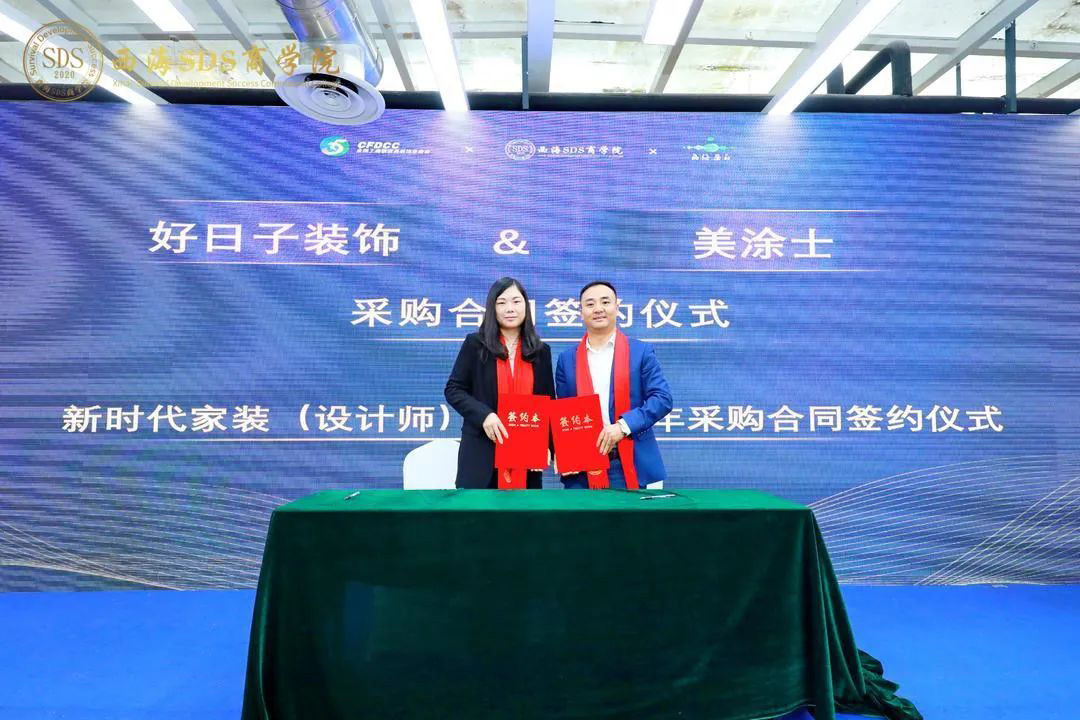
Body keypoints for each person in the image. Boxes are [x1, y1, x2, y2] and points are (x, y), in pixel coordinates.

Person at [555, 281, 673, 490]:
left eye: (605, 302)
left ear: (617, 307)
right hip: (582, 468)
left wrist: (622, 427)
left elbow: (662, 399)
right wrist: (564, 452)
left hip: (632, 462)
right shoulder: (567, 359)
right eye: (590, 304)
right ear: (581, 312)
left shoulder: (641, 352)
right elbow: (563, 411)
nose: (598, 309)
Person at [445, 277, 555, 489]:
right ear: (492, 308)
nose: (510, 308)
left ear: (526, 306)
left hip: (527, 457)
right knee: (477, 510)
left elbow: (548, 402)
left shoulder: (541, 351)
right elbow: (454, 390)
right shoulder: (475, 344)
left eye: (516, 301)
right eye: (502, 302)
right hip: (480, 454)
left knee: (523, 510)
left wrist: (547, 444)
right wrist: (485, 415)